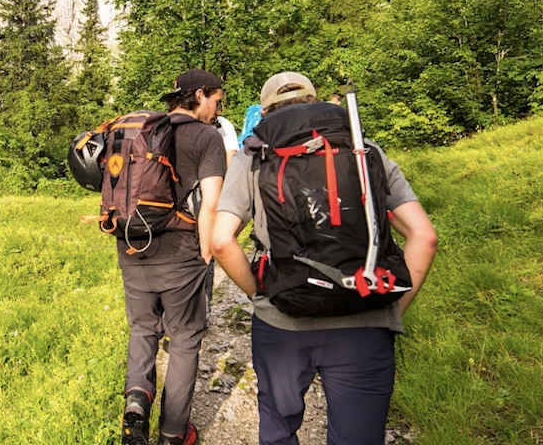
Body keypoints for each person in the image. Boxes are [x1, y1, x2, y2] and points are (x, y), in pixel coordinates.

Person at [209, 72, 438, 445]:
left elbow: (220, 242)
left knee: (279, 431)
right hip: (365, 319)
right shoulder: (365, 150)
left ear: (266, 112)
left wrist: (259, 297)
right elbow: (424, 238)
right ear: (316, 102)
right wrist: (391, 308)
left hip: (283, 322)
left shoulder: (255, 156)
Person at [121, 69, 227, 445]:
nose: (218, 108)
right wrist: (205, 256)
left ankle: (136, 401)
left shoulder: (146, 130)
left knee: (142, 328)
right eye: (217, 99)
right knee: (183, 338)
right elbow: (212, 205)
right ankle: (173, 433)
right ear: (199, 95)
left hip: (132, 246)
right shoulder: (207, 137)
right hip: (180, 253)